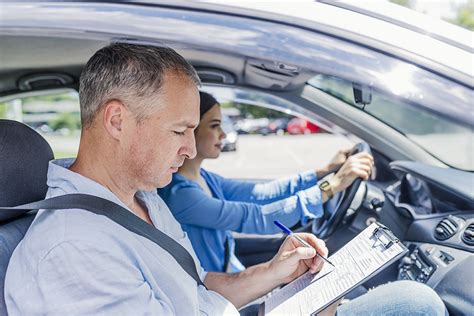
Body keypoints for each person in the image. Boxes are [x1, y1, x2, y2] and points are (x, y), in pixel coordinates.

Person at [5, 43, 446, 316]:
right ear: (117, 121)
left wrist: (274, 273)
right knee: (415, 304)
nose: (191, 148)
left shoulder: (139, 198)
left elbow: (195, 290)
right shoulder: (73, 251)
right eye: (179, 131)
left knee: (410, 301)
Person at [158, 91, 374, 273]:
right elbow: (257, 218)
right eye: (214, 126)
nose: (224, 134)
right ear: (190, 130)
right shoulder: (181, 194)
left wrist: (324, 172)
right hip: (215, 290)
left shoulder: (205, 177)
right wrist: (333, 185)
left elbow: (262, 191)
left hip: (231, 270)